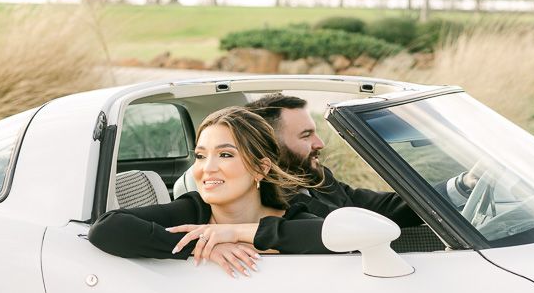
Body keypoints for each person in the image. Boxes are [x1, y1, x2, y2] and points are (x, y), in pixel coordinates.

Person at [89, 106, 337, 277]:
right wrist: (201, 246)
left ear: (260, 169)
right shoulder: (193, 210)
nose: (207, 168)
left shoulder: (296, 215)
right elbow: (106, 228)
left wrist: (232, 233)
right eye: (200, 156)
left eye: (225, 155)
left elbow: (336, 236)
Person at [248, 92, 478, 221]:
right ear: (271, 147)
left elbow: (380, 207)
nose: (320, 143)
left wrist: (463, 184)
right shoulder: (258, 204)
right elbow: (347, 225)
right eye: (306, 136)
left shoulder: (317, 178)